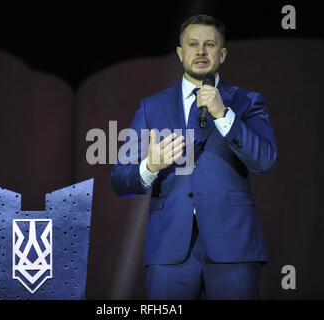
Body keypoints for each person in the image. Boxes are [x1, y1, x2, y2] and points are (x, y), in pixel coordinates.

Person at [110, 14, 277, 300]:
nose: (201, 51)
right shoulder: (151, 107)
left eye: (209, 45)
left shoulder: (247, 102)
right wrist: (151, 166)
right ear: (180, 53)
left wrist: (224, 115)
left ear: (222, 54)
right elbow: (120, 180)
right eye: (193, 44)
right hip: (169, 250)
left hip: (233, 246)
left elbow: (264, 160)